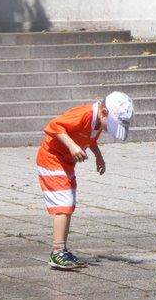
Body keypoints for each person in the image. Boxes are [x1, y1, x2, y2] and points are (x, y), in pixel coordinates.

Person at [36, 91, 134, 269]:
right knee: (63, 205)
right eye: (111, 124)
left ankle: (62, 250)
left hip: (66, 163)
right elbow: (54, 126)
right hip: (51, 159)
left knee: (69, 204)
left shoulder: (97, 121)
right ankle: (57, 252)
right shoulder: (84, 114)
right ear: (104, 112)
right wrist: (72, 145)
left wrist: (98, 156)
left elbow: (90, 139)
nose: (107, 129)